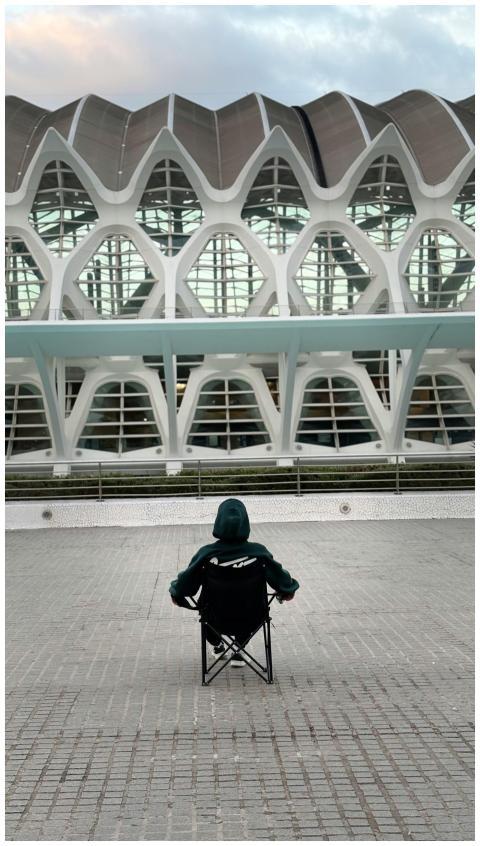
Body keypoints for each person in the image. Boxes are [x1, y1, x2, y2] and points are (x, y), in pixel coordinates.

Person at [169, 498, 300, 666]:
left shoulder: (206, 554)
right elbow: (284, 582)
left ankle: (218, 646)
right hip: (251, 617)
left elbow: (183, 586)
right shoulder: (259, 552)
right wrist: (287, 591)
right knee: (251, 606)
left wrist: (177, 595)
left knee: (205, 611)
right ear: (245, 523)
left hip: (215, 618)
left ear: (218, 523)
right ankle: (238, 647)